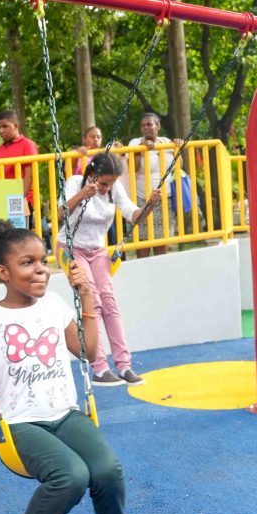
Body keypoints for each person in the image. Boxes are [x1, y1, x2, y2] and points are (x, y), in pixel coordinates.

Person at [0, 219, 129, 514]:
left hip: (66, 415)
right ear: (3, 272)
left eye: (43, 260)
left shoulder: (54, 305)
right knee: (71, 476)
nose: (40, 268)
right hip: (20, 423)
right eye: (27, 263)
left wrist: (85, 295)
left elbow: (86, 350)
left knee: (108, 471)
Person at [64, 152, 159, 386]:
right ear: (93, 174)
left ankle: (124, 366)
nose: (107, 188)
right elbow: (59, 214)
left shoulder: (114, 189)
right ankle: (99, 367)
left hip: (97, 250)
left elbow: (133, 215)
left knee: (109, 302)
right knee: (93, 300)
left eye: (111, 183)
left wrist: (149, 206)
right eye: (104, 183)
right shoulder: (75, 182)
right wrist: (81, 195)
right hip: (71, 246)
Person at [128, 113, 182, 258]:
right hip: (142, 199)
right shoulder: (135, 143)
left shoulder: (165, 142)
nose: (146, 128)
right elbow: (133, 168)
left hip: (164, 199)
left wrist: (177, 147)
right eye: (143, 125)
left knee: (162, 245)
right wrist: (141, 148)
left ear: (157, 126)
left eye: (149, 124)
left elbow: (178, 166)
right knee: (142, 245)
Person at [73, 126, 123, 248]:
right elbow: (71, 169)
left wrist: (117, 151)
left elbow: (115, 169)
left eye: (99, 137)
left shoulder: (106, 154)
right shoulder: (79, 154)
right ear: (85, 139)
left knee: (110, 228)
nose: (96, 139)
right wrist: (77, 154)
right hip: (87, 196)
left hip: (104, 197)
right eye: (92, 136)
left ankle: (114, 253)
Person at [0, 111, 38, 226]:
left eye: (5, 126)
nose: (1, 131)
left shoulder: (28, 145)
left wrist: (18, 200)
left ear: (16, 126)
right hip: (3, 201)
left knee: (21, 239)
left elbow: (30, 176)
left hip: (22, 201)